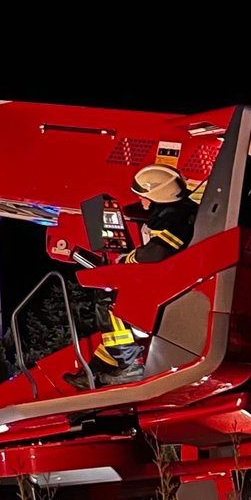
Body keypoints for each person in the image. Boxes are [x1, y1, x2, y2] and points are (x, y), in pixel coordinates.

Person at [80, 165, 200, 387]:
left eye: (143, 196)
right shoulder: (185, 211)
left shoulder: (172, 217)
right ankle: (102, 364)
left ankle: (129, 364)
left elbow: (157, 253)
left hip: (175, 286)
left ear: (157, 195)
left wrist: (128, 259)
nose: (140, 201)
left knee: (110, 300)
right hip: (184, 280)